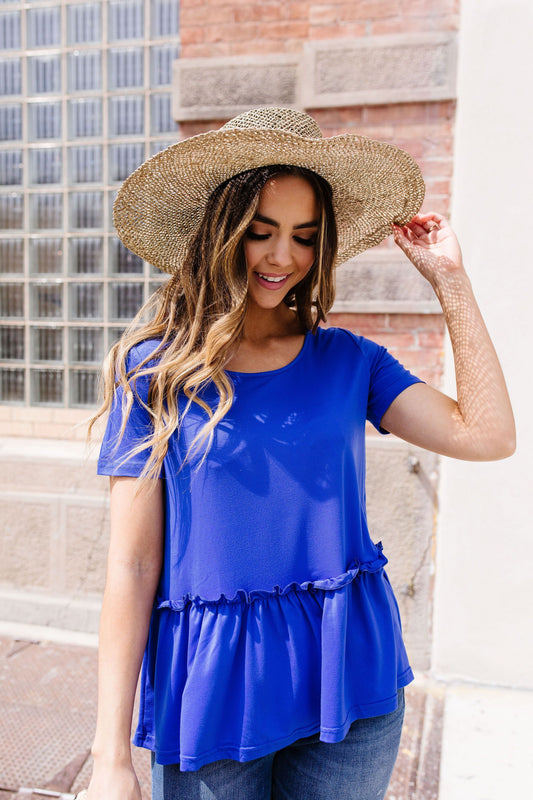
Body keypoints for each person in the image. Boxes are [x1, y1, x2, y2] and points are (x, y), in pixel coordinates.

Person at [85, 107, 515, 800]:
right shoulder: (154, 371)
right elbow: (132, 568)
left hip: (352, 677)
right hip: (217, 698)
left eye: (303, 236)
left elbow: (487, 436)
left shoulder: (349, 361)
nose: (281, 257)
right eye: (259, 231)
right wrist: (109, 757)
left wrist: (449, 285)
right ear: (218, 235)